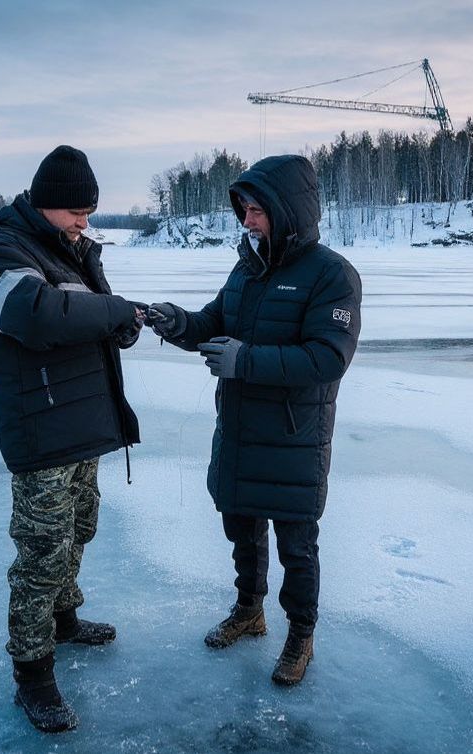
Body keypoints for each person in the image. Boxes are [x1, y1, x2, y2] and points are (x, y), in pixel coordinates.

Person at [145, 154, 361, 686]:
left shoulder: (332, 275)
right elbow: (213, 322)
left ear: (287, 211)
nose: (247, 221)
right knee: (240, 529)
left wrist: (245, 361)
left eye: (256, 210)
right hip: (240, 431)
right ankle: (249, 611)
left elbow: (327, 358)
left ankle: (301, 634)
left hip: (292, 439)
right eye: (243, 210)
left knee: (296, 547)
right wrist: (179, 323)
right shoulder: (246, 268)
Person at [0, 145, 144, 733]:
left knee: (78, 530)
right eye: (76, 212)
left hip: (81, 423)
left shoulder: (72, 251)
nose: (84, 223)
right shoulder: (2, 252)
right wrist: (112, 311)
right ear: (46, 203)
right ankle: (32, 674)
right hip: (41, 428)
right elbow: (38, 316)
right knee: (42, 553)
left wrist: (121, 325)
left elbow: (90, 316)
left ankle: (64, 619)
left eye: (89, 213)